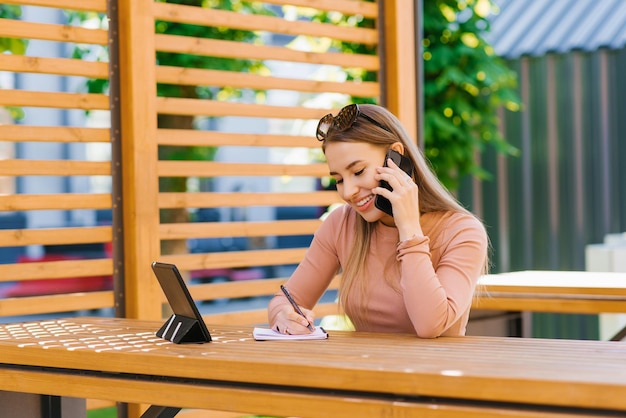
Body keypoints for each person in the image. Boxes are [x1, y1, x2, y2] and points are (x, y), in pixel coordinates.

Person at [268, 104, 489, 338]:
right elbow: (286, 300)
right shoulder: (340, 225)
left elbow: (430, 325)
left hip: (436, 372)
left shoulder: (462, 231)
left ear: (395, 156)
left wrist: (409, 228)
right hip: (365, 371)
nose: (348, 192)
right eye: (339, 179)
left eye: (359, 171)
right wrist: (283, 314)